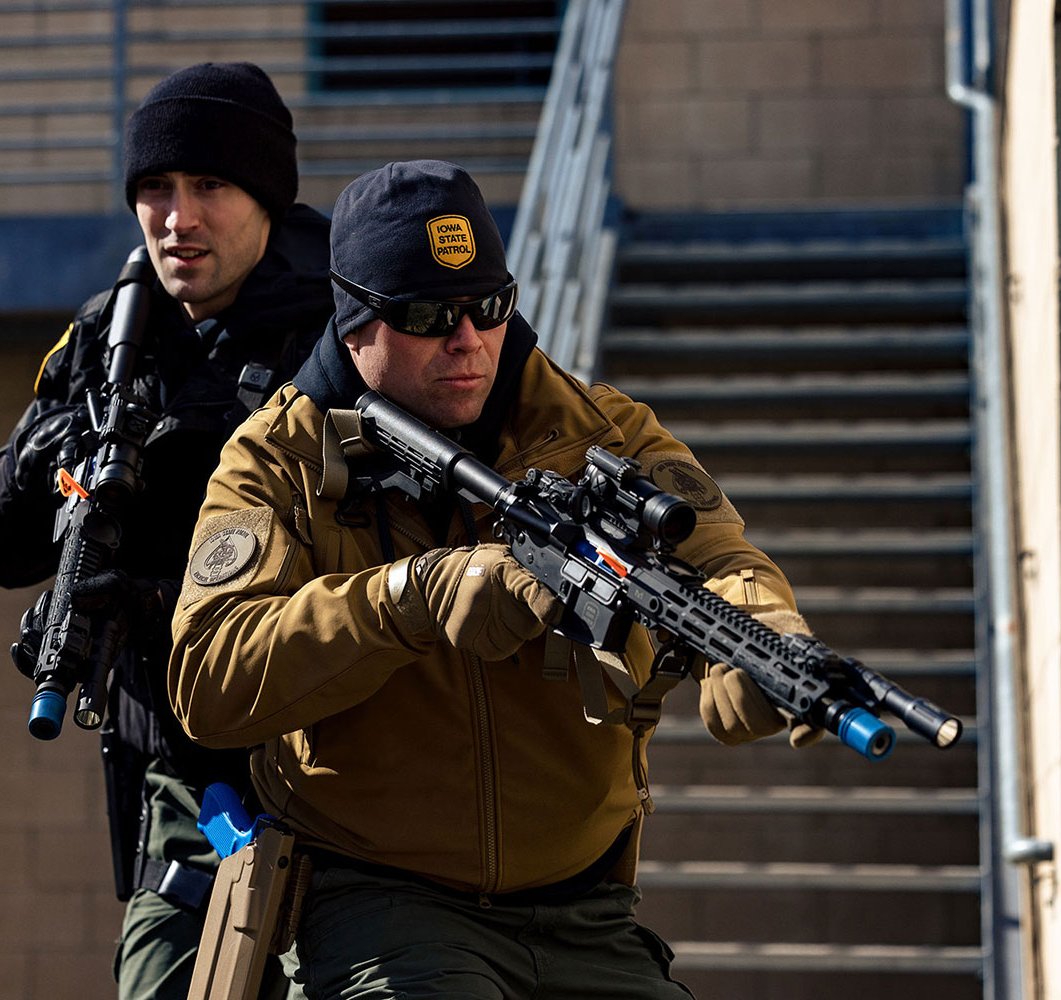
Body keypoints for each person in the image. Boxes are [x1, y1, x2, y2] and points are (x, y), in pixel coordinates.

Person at [168, 159, 819, 999]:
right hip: (380, 898)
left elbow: (722, 559)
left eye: (489, 306)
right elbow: (209, 679)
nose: (466, 339)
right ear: (354, 321)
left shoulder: (601, 427)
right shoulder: (275, 461)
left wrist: (762, 638)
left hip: (587, 910)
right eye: (428, 315)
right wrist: (409, 601)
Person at [0, 62, 334, 1000]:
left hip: (317, 762)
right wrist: (54, 453)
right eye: (155, 190)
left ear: (265, 195)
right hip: (163, 764)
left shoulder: (339, 337)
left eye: (209, 185)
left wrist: (163, 604)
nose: (179, 218)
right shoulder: (109, 333)